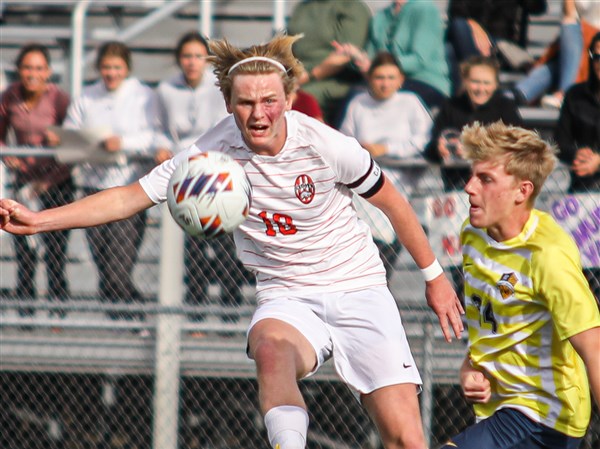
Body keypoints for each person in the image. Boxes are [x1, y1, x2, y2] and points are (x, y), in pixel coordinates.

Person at [0, 34, 465, 449]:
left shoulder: (327, 145)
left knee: (405, 437)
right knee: (269, 349)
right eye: (245, 102)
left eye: (268, 100)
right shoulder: (211, 154)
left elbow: (395, 203)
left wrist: (434, 277)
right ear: (227, 102)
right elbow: (129, 197)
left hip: (358, 286)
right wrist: (41, 220)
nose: (258, 113)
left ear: (288, 99)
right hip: (286, 293)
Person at [439, 121, 600, 449]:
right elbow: (492, 329)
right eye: (472, 175)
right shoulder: (472, 234)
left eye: (485, 179)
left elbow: (594, 349)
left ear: (522, 191)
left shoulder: (547, 255)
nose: (469, 187)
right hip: (498, 410)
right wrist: (468, 370)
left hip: (544, 415)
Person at [154, 31, 251, 329]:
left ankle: (229, 313)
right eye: (186, 56)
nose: (192, 62)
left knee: (225, 249)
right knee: (192, 253)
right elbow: (158, 127)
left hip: (217, 177)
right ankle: (195, 318)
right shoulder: (166, 90)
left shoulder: (218, 88)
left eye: (198, 56)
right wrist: (161, 146)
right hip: (184, 179)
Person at [63, 41, 158, 322]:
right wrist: (91, 142)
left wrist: (123, 143)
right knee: (102, 265)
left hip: (129, 189)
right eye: (106, 67)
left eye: (116, 67)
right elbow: (69, 133)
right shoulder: (87, 97)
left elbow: (154, 137)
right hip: (93, 187)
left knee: (118, 266)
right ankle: (124, 324)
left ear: (126, 68)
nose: (111, 73)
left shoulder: (143, 96)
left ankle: (140, 317)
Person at [339, 52, 433, 280]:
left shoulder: (410, 103)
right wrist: (362, 149)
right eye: (380, 77)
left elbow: (424, 140)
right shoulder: (358, 104)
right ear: (370, 78)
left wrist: (386, 149)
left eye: (391, 77)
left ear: (400, 79)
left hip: (403, 185)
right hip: (365, 188)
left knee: (385, 252)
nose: (385, 83)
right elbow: (344, 139)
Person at [0, 43, 73, 318]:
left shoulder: (59, 99)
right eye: (27, 67)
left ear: (48, 72)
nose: (33, 73)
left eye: (39, 68)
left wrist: (61, 141)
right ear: (19, 70)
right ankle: (26, 311)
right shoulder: (9, 96)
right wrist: (8, 155)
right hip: (24, 183)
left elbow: (74, 144)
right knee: (24, 251)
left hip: (56, 183)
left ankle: (58, 311)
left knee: (55, 251)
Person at [425, 56, 523, 192]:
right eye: (475, 82)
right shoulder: (451, 106)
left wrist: (474, 150)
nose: (480, 88)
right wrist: (439, 148)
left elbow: (521, 146)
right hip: (456, 188)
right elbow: (430, 148)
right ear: (465, 81)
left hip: (495, 189)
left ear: (495, 85)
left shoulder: (505, 107)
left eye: (486, 83)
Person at [333, 0, 451, 111]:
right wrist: (358, 57)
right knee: (354, 96)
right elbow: (373, 59)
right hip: (384, 79)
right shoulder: (381, 16)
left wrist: (377, 66)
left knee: (362, 94)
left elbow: (419, 59)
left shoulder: (426, 10)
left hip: (423, 81)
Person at [555, 32, 600, 301]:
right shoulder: (575, 95)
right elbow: (560, 141)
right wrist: (579, 154)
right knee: (582, 278)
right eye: (596, 56)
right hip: (582, 195)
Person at [286, 0, 371, 125]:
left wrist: (308, 76)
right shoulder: (302, 8)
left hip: (335, 79)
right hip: (297, 74)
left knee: (301, 97)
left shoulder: (351, 7)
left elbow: (345, 55)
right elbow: (288, 46)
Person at [512, 0, 600, 109]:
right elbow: (569, 15)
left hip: (592, 41)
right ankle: (564, 94)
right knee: (569, 32)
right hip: (579, 43)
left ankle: (520, 93)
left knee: (569, 31)